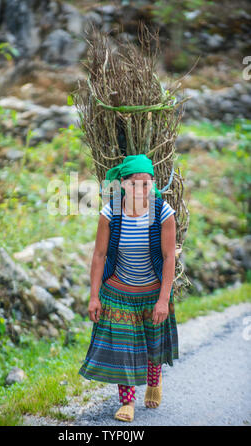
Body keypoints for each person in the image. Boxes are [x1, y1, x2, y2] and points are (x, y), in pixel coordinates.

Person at [78, 154, 179, 422]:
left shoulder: (163, 213)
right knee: (124, 348)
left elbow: (170, 257)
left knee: (152, 346)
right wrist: (93, 297)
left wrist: (163, 299)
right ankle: (127, 402)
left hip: (151, 291)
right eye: (136, 184)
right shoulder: (111, 212)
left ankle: (154, 380)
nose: (142, 190)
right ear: (123, 185)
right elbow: (99, 256)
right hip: (119, 291)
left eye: (148, 184)